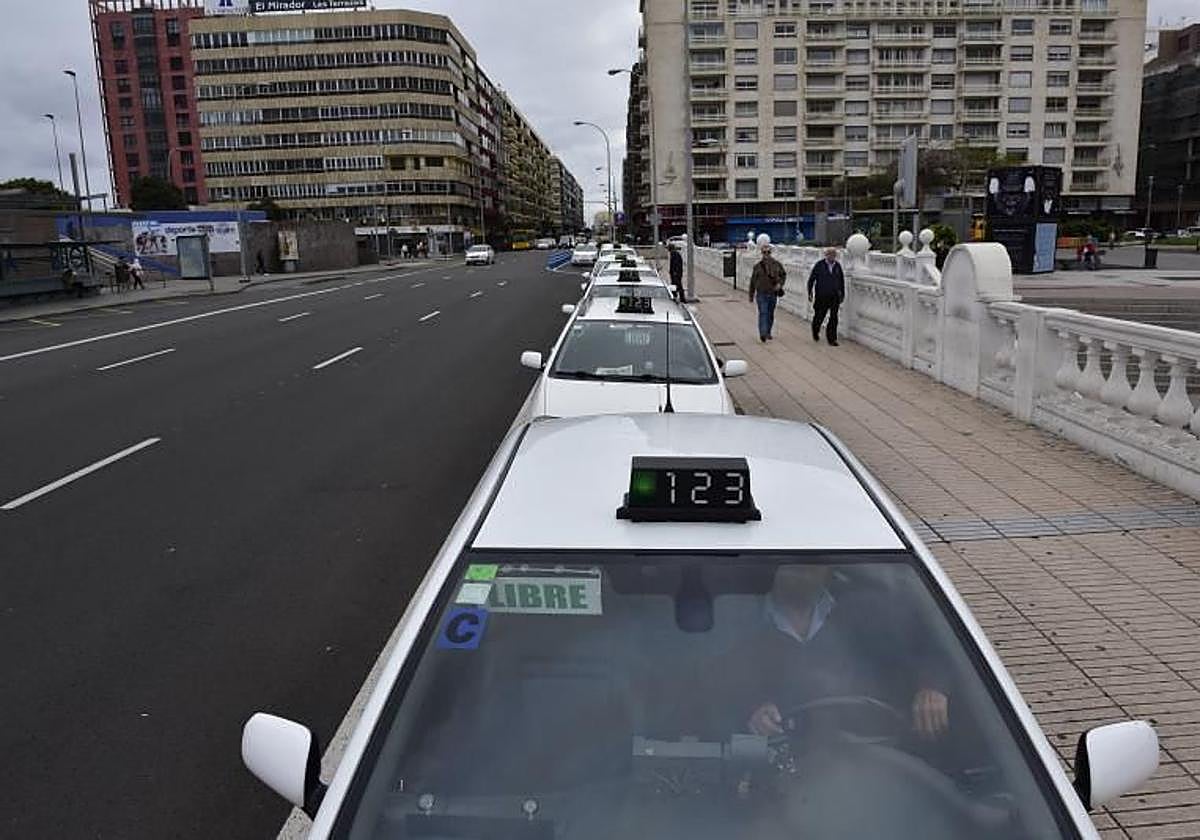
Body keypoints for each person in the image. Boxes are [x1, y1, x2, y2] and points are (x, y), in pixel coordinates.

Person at [724, 565, 950, 742]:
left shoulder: (868, 610)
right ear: (776, 566)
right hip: (783, 766)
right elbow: (712, 694)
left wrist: (931, 687)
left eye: (812, 561)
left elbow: (928, 649)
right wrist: (751, 711)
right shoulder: (735, 625)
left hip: (872, 755)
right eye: (793, 564)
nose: (803, 570)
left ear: (829, 569)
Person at [748, 234, 786, 342]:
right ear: (762, 253)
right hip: (761, 293)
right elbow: (752, 281)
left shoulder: (777, 264)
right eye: (764, 252)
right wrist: (751, 295)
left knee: (770, 314)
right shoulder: (758, 266)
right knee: (763, 313)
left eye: (768, 252)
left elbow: (783, 275)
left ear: (770, 253)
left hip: (773, 293)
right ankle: (763, 333)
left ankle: (768, 331)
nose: (766, 254)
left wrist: (780, 284)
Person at [807, 247, 845, 345]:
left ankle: (832, 339)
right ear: (826, 255)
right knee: (819, 316)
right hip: (821, 296)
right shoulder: (819, 265)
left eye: (834, 254)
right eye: (830, 254)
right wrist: (810, 292)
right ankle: (815, 330)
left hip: (834, 296)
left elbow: (841, 281)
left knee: (834, 317)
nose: (832, 256)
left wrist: (842, 294)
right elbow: (811, 279)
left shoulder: (837, 266)